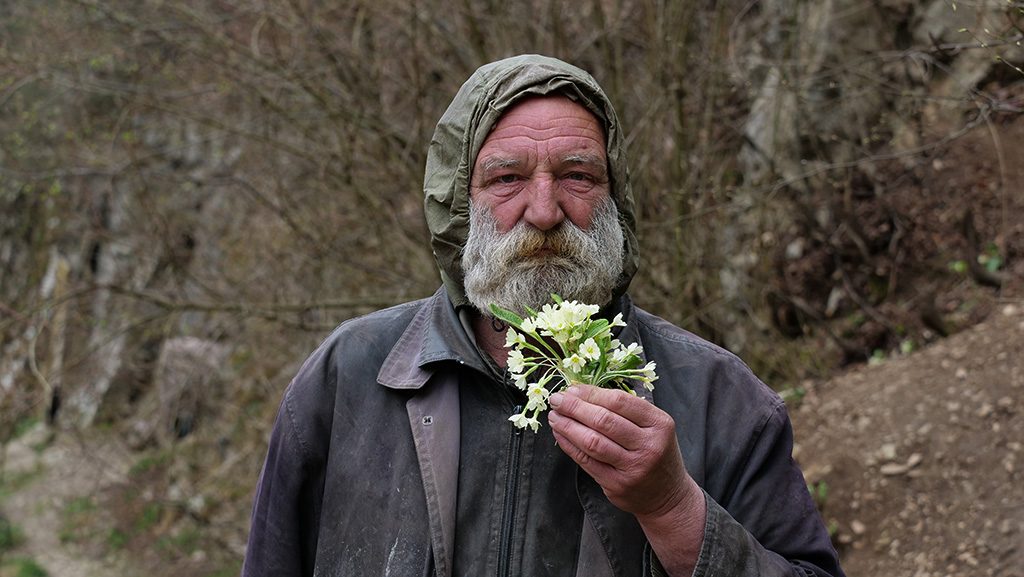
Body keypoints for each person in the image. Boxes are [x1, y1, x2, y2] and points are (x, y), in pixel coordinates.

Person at [242, 54, 845, 577]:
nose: (545, 210)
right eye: (506, 178)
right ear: (457, 203)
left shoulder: (722, 400)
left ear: (615, 199)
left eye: (577, 175)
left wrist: (672, 507)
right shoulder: (349, 378)